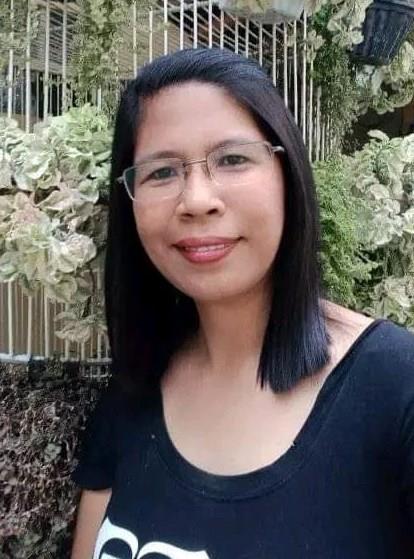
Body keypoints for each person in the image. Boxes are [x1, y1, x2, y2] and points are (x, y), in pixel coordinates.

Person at [70, 48, 414, 559]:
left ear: (287, 174)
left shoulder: (396, 388)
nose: (196, 200)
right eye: (161, 172)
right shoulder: (135, 389)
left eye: (232, 159)